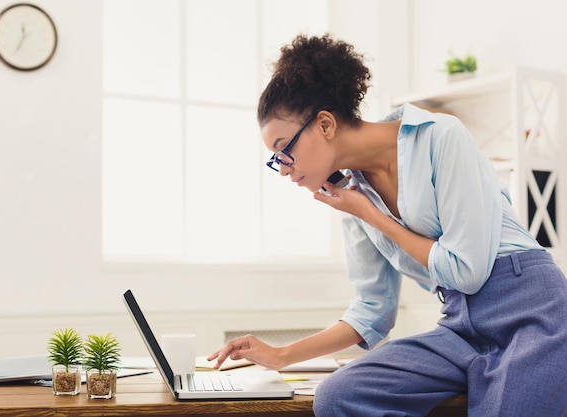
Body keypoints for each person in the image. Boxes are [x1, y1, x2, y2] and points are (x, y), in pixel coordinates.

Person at [207, 33, 567, 417]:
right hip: (462, 326)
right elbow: (373, 309)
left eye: (284, 149)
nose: (282, 168)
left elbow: (468, 271)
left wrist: (371, 215)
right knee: (339, 396)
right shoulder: (350, 194)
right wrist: (283, 354)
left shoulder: (440, 138)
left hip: (530, 312)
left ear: (325, 124)